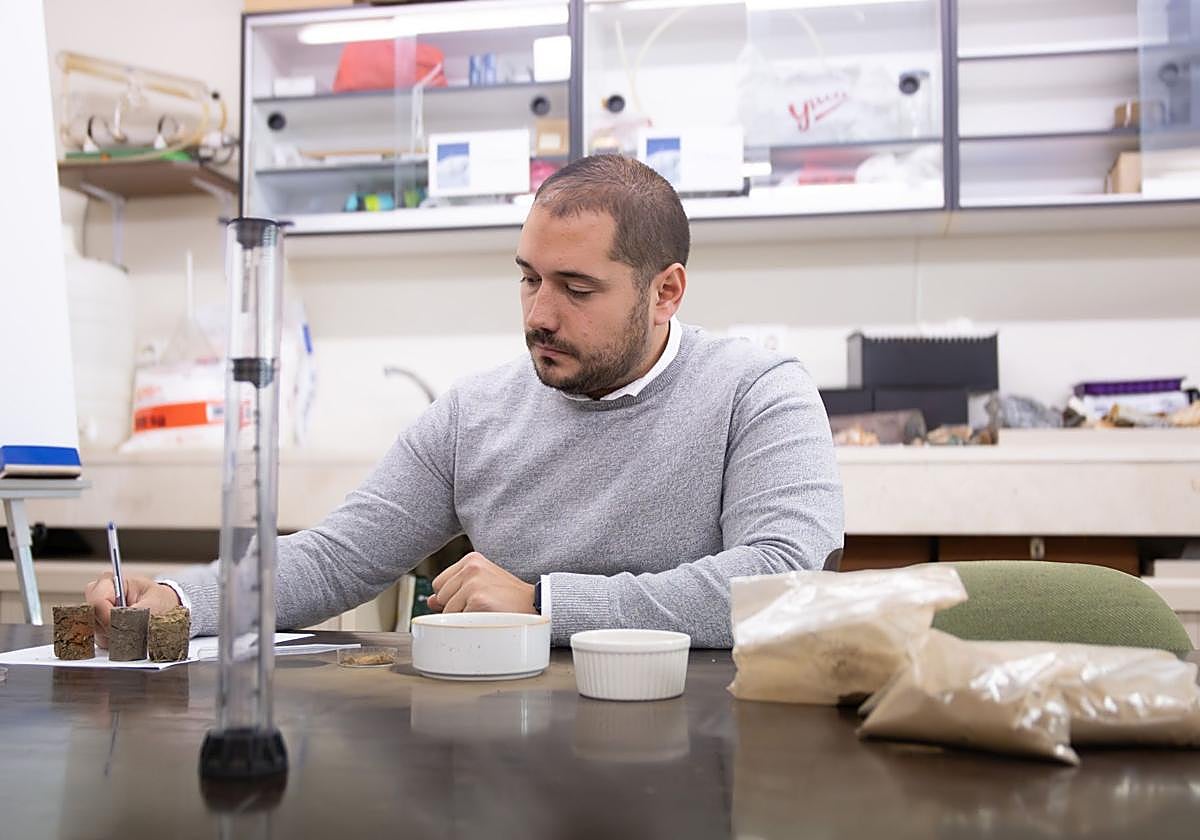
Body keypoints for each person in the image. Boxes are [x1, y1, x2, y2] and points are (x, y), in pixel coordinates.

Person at [85, 155, 843, 649]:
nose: (539, 314)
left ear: (666, 292)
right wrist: (182, 597)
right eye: (528, 278)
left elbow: (783, 578)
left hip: (700, 745)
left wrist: (545, 602)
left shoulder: (758, 391)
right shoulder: (475, 413)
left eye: (576, 288)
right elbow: (338, 556)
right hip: (505, 744)